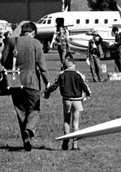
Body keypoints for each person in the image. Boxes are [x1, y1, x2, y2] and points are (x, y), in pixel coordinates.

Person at [2, 21, 50, 151]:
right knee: (34, 109)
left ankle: (26, 140)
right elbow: (42, 65)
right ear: (33, 32)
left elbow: (3, 60)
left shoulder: (12, 41)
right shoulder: (36, 43)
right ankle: (29, 130)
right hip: (32, 82)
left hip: (15, 81)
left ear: (23, 31)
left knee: (21, 111)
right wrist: (47, 82)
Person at [44, 58, 91, 150]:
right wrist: (88, 93)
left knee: (66, 121)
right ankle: (75, 144)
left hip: (66, 100)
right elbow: (84, 86)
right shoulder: (78, 74)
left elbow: (54, 85)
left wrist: (47, 92)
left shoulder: (61, 74)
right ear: (73, 65)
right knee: (76, 123)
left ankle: (66, 140)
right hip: (77, 100)